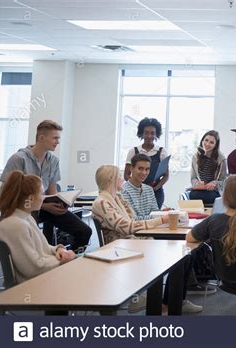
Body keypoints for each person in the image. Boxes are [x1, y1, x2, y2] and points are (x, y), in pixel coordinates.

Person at [92, 165, 203, 314]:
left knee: (186, 253)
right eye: (118, 176)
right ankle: (165, 302)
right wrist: (161, 220)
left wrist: (159, 220)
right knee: (182, 255)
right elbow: (127, 226)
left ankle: (170, 302)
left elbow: (132, 220)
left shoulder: (116, 197)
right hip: (123, 247)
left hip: (134, 241)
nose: (121, 178)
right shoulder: (102, 203)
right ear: (111, 179)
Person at [0, 120, 92, 251]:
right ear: (41, 138)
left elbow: (52, 192)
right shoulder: (19, 159)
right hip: (21, 208)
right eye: (55, 138)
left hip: (42, 206)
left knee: (84, 231)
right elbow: (8, 194)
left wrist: (59, 203)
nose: (58, 142)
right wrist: (44, 206)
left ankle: (70, 261)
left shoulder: (53, 161)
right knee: (34, 243)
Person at [0, 171, 76, 284]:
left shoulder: (27, 218)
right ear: (30, 198)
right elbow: (33, 269)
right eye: (42, 194)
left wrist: (59, 249)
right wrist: (63, 260)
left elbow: (44, 248)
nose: (44, 198)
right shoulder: (16, 225)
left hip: (41, 278)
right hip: (32, 285)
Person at [124, 118, 169, 209]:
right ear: (142, 134)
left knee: (155, 216)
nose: (149, 136)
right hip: (136, 192)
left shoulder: (162, 151)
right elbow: (126, 174)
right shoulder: (133, 151)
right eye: (146, 132)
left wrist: (154, 188)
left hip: (156, 192)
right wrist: (137, 187)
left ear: (156, 134)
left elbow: (166, 175)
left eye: (152, 133)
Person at [189, 130, 227, 205]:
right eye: (206, 140)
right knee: (192, 195)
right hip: (199, 190)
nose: (207, 144)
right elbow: (193, 178)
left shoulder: (221, 159)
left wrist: (214, 184)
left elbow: (223, 181)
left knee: (209, 196)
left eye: (211, 142)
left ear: (216, 145)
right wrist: (197, 183)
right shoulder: (196, 156)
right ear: (202, 140)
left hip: (214, 191)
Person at [121, 154, 158, 220]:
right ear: (131, 169)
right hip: (136, 230)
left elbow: (155, 212)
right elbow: (132, 218)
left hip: (151, 228)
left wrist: (163, 213)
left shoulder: (149, 189)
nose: (144, 172)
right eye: (140, 169)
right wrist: (156, 217)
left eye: (147, 169)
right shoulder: (123, 191)